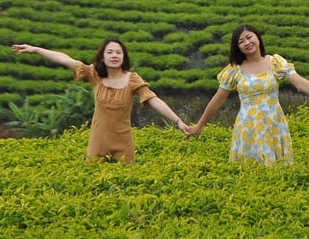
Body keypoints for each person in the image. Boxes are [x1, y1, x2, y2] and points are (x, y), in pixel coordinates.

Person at [185, 24, 309, 165]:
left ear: (257, 37)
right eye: (241, 41)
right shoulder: (234, 70)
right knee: (249, 172)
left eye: (249, 37)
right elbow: (218, 100)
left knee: (278, 173)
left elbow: (300, 83)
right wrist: (200, 125)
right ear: (237, 47)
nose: (247, 43)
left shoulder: (275, 62)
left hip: (274, 124)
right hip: (248, 127)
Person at [11, 39, 187, 162]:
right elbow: (66, 60)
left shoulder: (133, 80)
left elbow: (154, 100)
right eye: (109, 52)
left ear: (124, 57)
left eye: (118, 52)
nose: (114, 55)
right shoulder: (95, 74)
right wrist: (36, 50)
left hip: (123, 143)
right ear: (103, 57)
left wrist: (178, 122)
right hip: (98, 142)